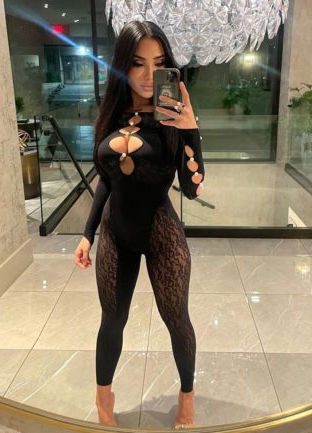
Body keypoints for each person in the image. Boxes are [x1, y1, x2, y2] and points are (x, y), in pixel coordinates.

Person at [74, 20, 205, 429]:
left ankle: (187, 395)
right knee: (111, 321)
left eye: (159, 64)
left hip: (161, 232)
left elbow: (192, 189)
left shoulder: (173, 119)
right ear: (122, 66)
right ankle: (103, 397)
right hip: (116, 233)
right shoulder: (112, 112)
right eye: (138, 63)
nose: (150, 75)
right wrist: (87, 234)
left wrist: (190, 131)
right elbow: (107, 179)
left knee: (176, 319)